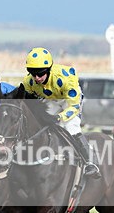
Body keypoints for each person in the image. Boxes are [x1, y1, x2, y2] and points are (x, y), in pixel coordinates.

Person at [22, 47, 100, 178]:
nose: (37, 78)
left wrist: (60, 117)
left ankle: (91, 161)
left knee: (70, 126)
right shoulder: (28, 82)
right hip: (51, 100)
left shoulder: (65, 78)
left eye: (40, 73)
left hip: (69, 101)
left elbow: (74, 107)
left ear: (48, 69)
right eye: (32, 73)